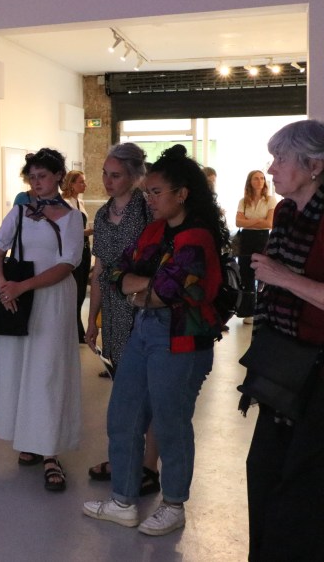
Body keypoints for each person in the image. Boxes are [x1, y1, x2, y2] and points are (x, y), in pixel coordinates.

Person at [83, 144, 226, 536]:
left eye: (157, 192)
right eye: (148, 192)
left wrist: (143, 288)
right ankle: (123, 501)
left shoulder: (196, 238)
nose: (149, 199)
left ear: (182, 194)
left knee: (170, 423)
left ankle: (174, 504)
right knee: (123, 416)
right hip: (145, 330)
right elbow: (116, 272)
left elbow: (167, 292)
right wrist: (143, 288)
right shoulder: (155, 230)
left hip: (181, 339)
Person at [245, 120, 324, 560]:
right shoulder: (287, 213)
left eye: (280, 159)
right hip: (283, 364)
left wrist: (283, 277)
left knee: (302, 486)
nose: (271, 168)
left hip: (317, 370)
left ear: (314, 165)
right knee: (264, 471)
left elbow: (281, 279)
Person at [0, 148, 84, 492]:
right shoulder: (19, 212)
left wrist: (21, 286)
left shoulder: (71, 218)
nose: (36, 183)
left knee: (47, 371)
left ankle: (50, 452)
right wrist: (4, 287)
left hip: (52, 299)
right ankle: (28, 439)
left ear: (58, 177)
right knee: (19, 368)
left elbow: (67, 264)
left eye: (43, 176)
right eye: (32, 177)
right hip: (19, 300)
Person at [83, 143, 159, 494]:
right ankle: (124, 457)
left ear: (134, 176)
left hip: (145, 305)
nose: (108, 181)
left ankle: (148, 466)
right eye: (105, 174)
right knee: (124, 391)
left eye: (115, 175)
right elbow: (99, 270)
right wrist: (92, 319)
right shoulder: (102, 215)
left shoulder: (147, 210)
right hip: (114, 311)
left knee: (149, 390)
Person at [235, 169, 277, 323]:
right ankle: (248, 312)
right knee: (246, 274)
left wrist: (249, 221)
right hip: (246, 239)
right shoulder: (243, 201)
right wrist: (259, 220)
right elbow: (238, 222)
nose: (260, 181)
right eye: (256, 178)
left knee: (262, 275)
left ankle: (263, 310)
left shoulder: (270, 200)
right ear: (250, 182)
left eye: (262, 178)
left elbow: (269, 223)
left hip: (263, 239)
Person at [62, 170, 93, 343]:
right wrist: (88, 232)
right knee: (74, 290)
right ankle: (73, 329)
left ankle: (77, 327)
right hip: (74, 249)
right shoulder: (66, 203)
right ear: (71, 184)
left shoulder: (79, 202)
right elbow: (68, 231)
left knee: (81, 290)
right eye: (81, 182)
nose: (85, 185)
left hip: (84, 249)